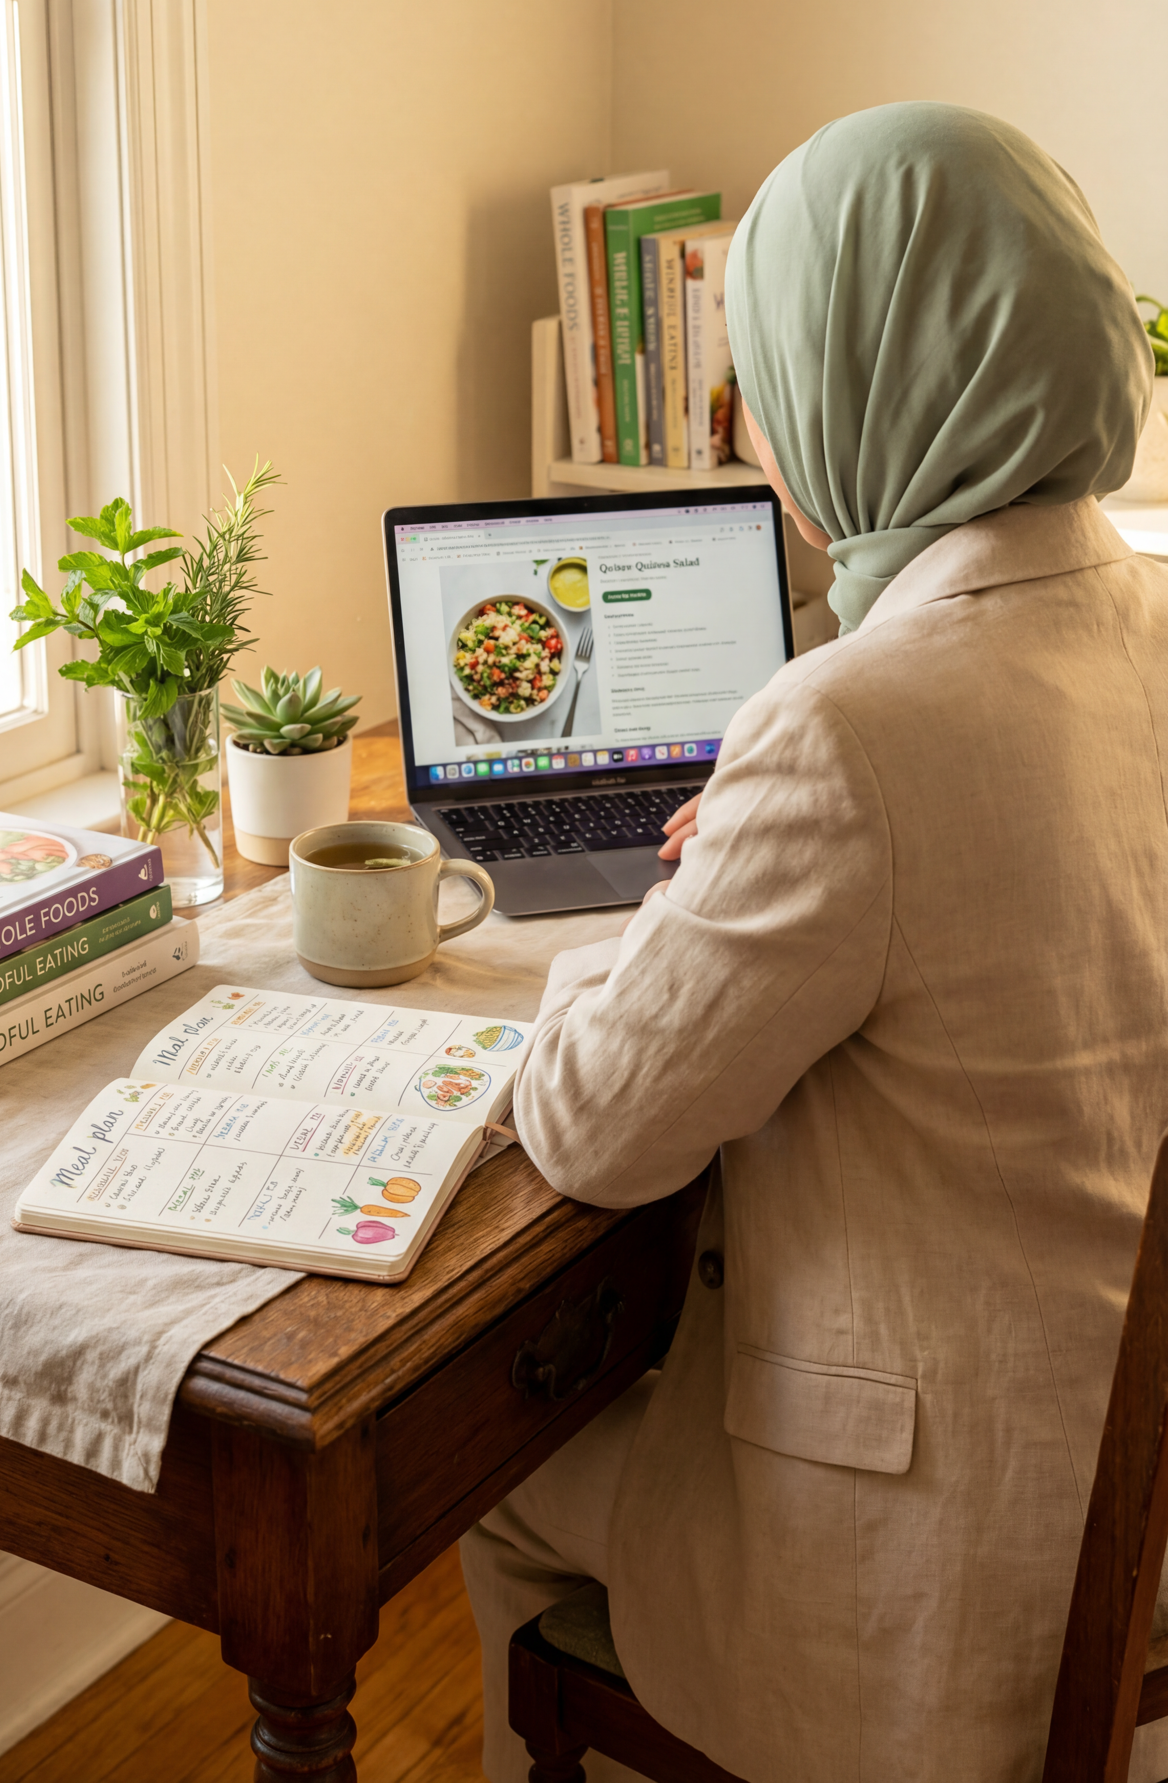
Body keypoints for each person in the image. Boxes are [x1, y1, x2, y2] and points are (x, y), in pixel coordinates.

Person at [460, 102, 1168, 1783]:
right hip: (1123, 1515)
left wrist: (637, 928)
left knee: (490, 1479)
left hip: (928, 1592)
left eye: (762, 378)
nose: (760, 429)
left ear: (870, 387)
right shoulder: (1141, 619)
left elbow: (591, 1125)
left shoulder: (852, 728)